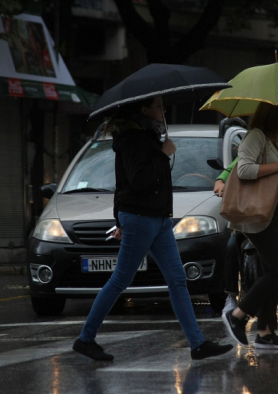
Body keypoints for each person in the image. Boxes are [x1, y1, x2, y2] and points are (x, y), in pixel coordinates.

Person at [72, 96, 233, 361]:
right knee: (121, 279)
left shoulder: (144, 136)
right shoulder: (134, 139)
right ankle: (85, 339)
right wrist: (163, 154)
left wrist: (119, 217)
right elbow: (137, 181)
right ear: (144, 109)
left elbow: (122, 184)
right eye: (158, 106)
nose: (163, 110)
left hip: (157, 218)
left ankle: (198, 344)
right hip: (141, 217)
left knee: (177, 280)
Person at [221, 100, 278, 350]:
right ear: (270, 114)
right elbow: (245, 169)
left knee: (271, 272)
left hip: (277, 215)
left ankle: (265, 332)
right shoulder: (256, 136)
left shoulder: (277, 140)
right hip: (258, 215)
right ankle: (238, 315)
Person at [214, 131, 278, 316]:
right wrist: (221, 179)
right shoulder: (258, 140)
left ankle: (263, 329)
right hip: (257, 209)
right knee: (232, 247)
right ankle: (234, 301)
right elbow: (238, 166)